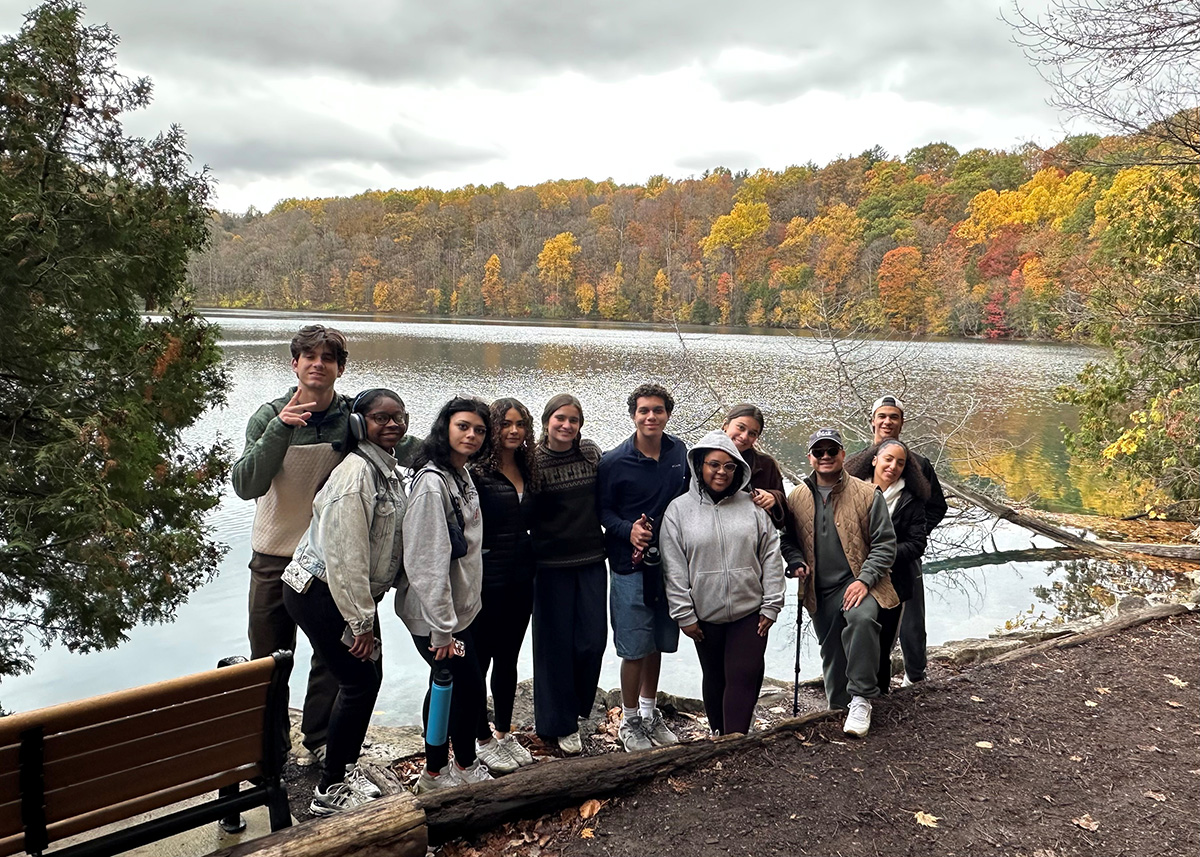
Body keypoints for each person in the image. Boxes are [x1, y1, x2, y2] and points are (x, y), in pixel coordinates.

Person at [282, 389, 408, 815]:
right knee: (360, 682)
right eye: (380, 418)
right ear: (359, 424)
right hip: (320, 591)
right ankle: (330, 790)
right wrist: (360, 622)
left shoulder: (384, 469)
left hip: (333, 591)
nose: (391, 425)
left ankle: (340, 769)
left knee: (362, 678)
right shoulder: (356, 476)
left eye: (398, 417)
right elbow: (345, 558)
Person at [231, 324, 350, 764]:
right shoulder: (268, 416)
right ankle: (271, 751)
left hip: (326, 561)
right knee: (270, 661)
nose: (318, 364)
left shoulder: (350, 418)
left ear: (339, 368)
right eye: (310, 356)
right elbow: (246, 485)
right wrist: (279, 430)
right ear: (295, 363)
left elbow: (403, 446)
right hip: (273, 558)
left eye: (328, 358)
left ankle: (318, 739)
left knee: (330, 656)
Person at [397, 397, 493, 792]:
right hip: (435, 617)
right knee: (462, 687)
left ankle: (446, 767)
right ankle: (444, 771)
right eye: (463, 427)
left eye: (479, 430)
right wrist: (441, 631)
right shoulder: (431, 485)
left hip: (459, 612)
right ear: (445, 428)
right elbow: (425, 562)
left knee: (452, 686)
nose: (471, 435)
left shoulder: (462, 474)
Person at [661, 430, 786, 736]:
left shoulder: (753, 507)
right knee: (715, 677)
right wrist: (684, 614)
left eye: (729, 467)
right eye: (714, 465)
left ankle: (735, 742)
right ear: (700, 465)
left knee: (744, 673)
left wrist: (772, 605)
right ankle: (719, 735)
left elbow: (771, 556)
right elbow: (674, 569)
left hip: (750, 611)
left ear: (738, 470)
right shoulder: (678, 511)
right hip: (705, 614)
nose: (721, 472)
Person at [781, 428, 897, 738]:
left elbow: (885, 546)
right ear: (810, 458)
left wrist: (864, 580)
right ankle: (838, 707)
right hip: (820, 589)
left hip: (861, 583)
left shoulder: (867, 494)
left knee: (860, 621)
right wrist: (796, 563)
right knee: (832, 651)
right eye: (819, 452)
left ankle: (861, 699)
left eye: (832, 451)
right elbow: (788, 541)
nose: (826, 457)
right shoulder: (797, 496)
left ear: (843, 455)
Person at [598, 383, 689, 752]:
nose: (651, 417)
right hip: (628, 567)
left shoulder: (679, 452)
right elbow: (602, 512)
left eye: (658, 410)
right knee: (634, 646)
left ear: (667, 413)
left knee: (657, 643)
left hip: (669, 565)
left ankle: (651, 713)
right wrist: (627, 530)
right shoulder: (613, 461)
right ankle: (630, 718)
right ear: (633, 414)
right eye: (643, 410)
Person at [529, 394, 608, 755]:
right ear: (547, 421)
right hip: (549, 566)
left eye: (574, 420)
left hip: (592, 558)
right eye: (560, 418)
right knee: (554, 647)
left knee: (592, 641)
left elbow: (612, 493)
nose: (566, 425)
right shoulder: (533, 460)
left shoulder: (590, 453)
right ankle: (557, 724)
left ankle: (576, 710)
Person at [470, 398, 538, 773]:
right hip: (485, 580)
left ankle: (502, 733)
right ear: (493, 428)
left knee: (508, 660)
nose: (514, 431)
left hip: (520, 578)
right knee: (479, 662)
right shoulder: (478, 471)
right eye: (506, 424)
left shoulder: (529, 467)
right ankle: (480, 738)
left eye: (520, 425)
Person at [865, 394, 947, 685]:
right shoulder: (860, 461)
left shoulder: (918, 464)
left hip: (904, 555)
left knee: (911, 621)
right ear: (872, 420)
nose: (887, 422)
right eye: (882, 416)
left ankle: (915, 675)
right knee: (866, 620)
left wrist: (916, 536)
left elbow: (937, 506)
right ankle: (869, 681)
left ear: (902, 422)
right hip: (862, 559)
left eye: (894, 417)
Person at [844, 439, 930, 696]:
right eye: (888, 459)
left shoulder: (911, 501)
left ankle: (879, 696)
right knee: (849, 638)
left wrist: (881, 556)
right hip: (851, 578)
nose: (893, 466)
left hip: (894, 582)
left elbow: (916, 544)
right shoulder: (851, 491)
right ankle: (844, 698)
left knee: (883, 644)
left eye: (900, 462)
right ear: (874, 460)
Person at [721, 403, 789, 528]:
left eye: (752, 433)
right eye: (741, 427)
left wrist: (774, 498)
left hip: (753, 539)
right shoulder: (701, 458)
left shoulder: (766, 465)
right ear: (725, 425)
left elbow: (785, 515)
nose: (744, 436)